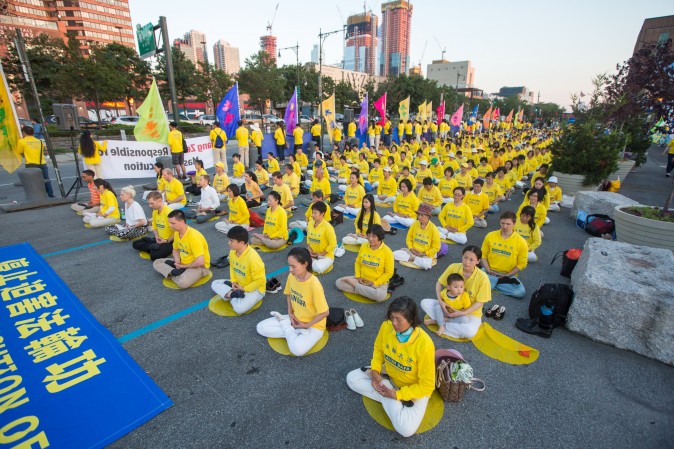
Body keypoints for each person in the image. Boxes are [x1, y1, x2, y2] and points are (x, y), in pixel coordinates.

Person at [346, 296, 435, 438]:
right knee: (351, 379)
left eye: (398, 319)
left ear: (411, 320)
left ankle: (386, 394)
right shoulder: (386, 326)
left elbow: (427, 386)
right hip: (389, 374)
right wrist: (375, 372)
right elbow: (378, 349)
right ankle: (386, 390)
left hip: (412, 388)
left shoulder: (425, 344)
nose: (393, 323)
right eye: (392, 317)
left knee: (406, 430)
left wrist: (397, 394)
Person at [256, 247, 330, 356]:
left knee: (297, 350)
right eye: (289, 265)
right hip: (295, 319)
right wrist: (290, 314)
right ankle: (293, 331)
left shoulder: (314, 284)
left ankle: (288, 328)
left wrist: (306, 325)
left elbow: (325, 312)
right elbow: (289, 295)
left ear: (305, 264)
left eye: (293, 266)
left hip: (313, 325)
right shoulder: (292, 276)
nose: (290, 269)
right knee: (261, 328)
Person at [422, 245, 491, 338]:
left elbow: (480, 302)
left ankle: (439, 322)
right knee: (424, 303)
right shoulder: (453, 267)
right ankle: (445, 322)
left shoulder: (483, 277)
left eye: (471, 260)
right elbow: (439, 283)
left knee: (470, 333)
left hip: (470, 313)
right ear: (462, 256)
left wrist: (462, 313)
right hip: (448, 306)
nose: (467, 262)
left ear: (478, 261)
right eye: (465, 257)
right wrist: (441, 302)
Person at [211, 226, 266, 314]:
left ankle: (231, 294)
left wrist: (244, 288)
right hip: (238, 284)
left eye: (231, 240)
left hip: (254, 290)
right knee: (215, 283)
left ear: (241, 242)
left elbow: (260, 280)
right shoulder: (233, 252)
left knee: (239, 309)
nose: (229, 243)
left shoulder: (253, 258)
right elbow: (232, 267)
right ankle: (233, 294)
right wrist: (233, 281)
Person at [152, 210, 211, 289]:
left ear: (182, 222)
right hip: (183, 262)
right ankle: (173, 272)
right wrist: (177, 262)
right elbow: (175, 249)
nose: (170, 226)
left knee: (182, 283)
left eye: (173, 223)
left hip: (198, 266)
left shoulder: (194, 237)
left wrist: (185, 267)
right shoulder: (177, 232)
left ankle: (174, 273)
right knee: (157, 262)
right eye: (169, 223)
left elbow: (200, 262)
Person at [335, 224, 394, 302]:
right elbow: (358, 263)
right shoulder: (364, 246)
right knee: (339, 283)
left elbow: (389, 273)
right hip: (362, 279)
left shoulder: (387, 252)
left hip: (377, 282)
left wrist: (374, 283)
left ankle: (355, 286)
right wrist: (358, 276)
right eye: (369, 235)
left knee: (380, 296)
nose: (370, 239)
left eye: (373, 236)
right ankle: (365, 290)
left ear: (380, 237)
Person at [480, 211, 529, 298]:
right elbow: (483, 255)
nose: (504, 226)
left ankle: (488, 284)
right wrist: (488, 269)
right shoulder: (490, 235)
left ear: (514, 223)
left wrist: (507, 275)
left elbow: (522, 264)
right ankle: (492, 282)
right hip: (489, 270)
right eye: (502, 223)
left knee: (520, 292)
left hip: (507, 274)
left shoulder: (521, 242)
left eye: (508, 224)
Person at [392, 203, 441, 270]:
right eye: (418, 215)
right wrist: (411, 248)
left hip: (425, 254)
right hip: (413, 251)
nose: (419, 217)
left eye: (422, 215)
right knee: (394, 254)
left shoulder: (434, 229)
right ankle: (415, 259)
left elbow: (436, 248)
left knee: (426, 264)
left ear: (428, 216)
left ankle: (413, 259)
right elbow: (408, 239)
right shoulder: (414, 224)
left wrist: (423, 253)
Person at [133, 191, 174, 260]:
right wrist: (157, 237)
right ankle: (152, 246)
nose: (150, 206)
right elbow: (154, 227)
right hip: (159, 239)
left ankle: (152, 246)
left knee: (154, 256)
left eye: (152, 203)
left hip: (169, 241)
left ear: (159, 201)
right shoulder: (155, 211)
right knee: (135, 243)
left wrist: (166, 241)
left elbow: (177, 232)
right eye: (149, 203)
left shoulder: (169, 213)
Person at [17, 125, 54, 198]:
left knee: (33, 181)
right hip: (42, 163)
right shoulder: (39, 141)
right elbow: (44, 152)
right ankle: (50, 195)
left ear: (24, 133)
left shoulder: (21, 141)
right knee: (46, 180)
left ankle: (38, 196)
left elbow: (20, 152)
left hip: (31, 164)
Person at [305, 201, 337, 273]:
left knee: (317, 268)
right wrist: (309, 248)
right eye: (312, 212)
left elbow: (333, 244)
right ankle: (312, 259)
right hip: (312, 252)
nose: (313, 215)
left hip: (325, 255)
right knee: (296, 257)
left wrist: (321, 254)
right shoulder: (310, 223)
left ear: (322, 214)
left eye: (315, 213)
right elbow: (308, 237)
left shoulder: (328, 227)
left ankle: (311, 261)